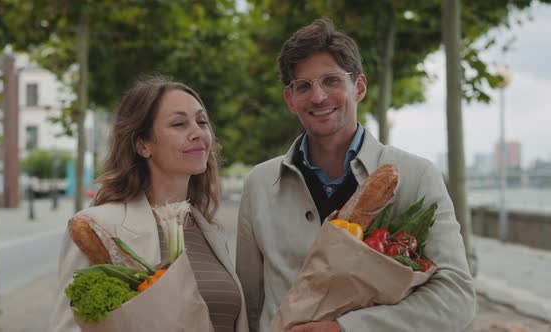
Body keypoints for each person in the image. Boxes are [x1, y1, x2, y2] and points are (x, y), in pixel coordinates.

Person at [236, 19, 475, 332]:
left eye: (331, 81)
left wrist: (347, 329)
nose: (318, 96)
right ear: (290, 100)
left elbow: (456, 297)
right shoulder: (259, 184)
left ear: (359, 87)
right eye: (304, 86)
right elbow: (248, 305)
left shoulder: (418, 176)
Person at [49, 77, 249, 332]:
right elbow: (69, 326)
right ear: (142, 144)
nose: (198, 133)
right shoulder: (98, 227)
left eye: (202, 122)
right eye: (179, 124)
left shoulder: (208, 232)